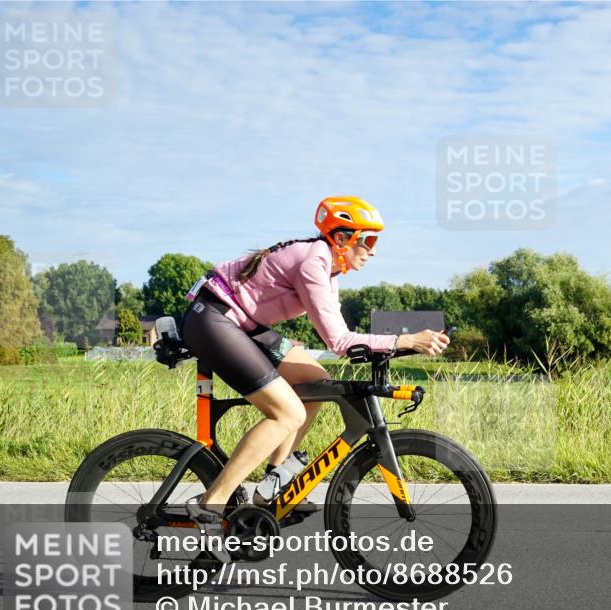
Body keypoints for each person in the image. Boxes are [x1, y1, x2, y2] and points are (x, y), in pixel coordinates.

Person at [179, 195, 450, 560]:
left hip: (243, 322)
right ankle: (211, 503)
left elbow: (340, 335)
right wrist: (404, 340)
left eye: (375, 243)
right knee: (286, 413)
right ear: (341, 239)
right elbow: (339, 341)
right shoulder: (314, 261)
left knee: (317, 382)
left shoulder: (327, 270)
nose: (372, 251)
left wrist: (395, 346)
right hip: (215, 318)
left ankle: (273, 483)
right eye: (366, 241)